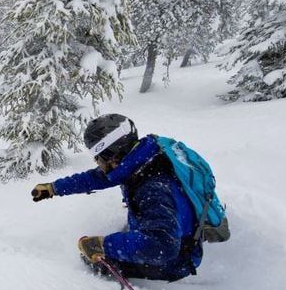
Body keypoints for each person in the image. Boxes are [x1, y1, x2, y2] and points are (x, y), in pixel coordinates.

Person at [30, 114, 203, 281]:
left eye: (99, 157)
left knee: (93, 259)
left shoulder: (153, 189)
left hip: (177, 259)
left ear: (114, 153)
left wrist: (103, 245)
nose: (98, 163)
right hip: (174, 231)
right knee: (119, 240)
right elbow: (95, 178)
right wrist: (54, 188)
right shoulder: (143, 160)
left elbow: (163, 246)